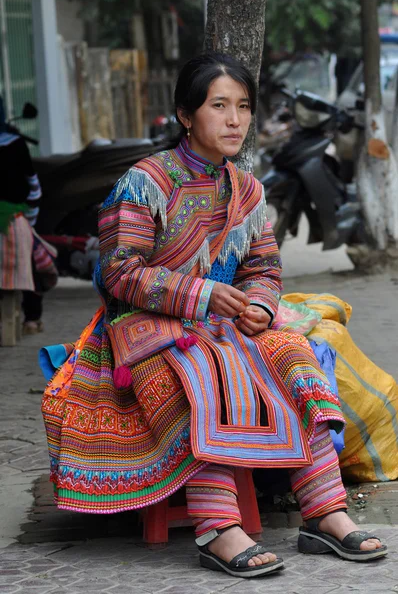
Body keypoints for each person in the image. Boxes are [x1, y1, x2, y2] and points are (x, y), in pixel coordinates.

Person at [41, 53, 387, 578]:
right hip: (143, 332)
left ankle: (325, 515)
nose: (235, 120)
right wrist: (200, 296)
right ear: (185, 114)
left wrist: (260, 306)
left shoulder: (246, 191)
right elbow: (118, 272)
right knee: (203, 372)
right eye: (219, 106)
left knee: (298, 354)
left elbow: (265, 268)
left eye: (243, 107)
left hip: (225, 328)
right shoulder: (145, 182)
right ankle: (217, 527)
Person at [0, 95, 57, 335]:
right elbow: (34, 188)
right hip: (14, 222)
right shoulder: (16, 144)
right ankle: (31, 320)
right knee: (29, 267)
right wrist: (29, 221)